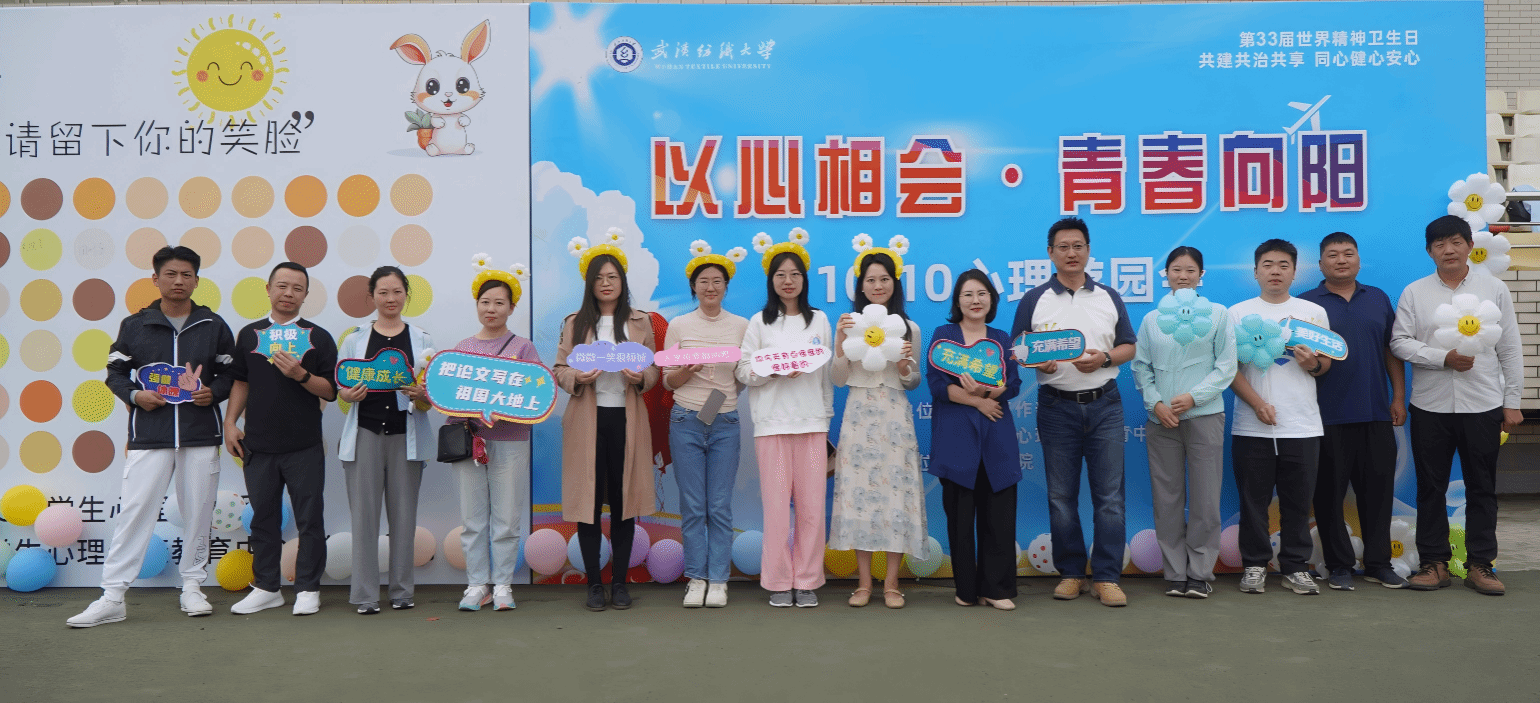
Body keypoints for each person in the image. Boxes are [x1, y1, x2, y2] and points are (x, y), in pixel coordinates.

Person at [68, 246, 235, 628]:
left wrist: (214, 392)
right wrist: (134, 396)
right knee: (135, 513)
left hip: (199, 435)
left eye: (187, 274)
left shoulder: (213, 325)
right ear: (155, 279)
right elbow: (115, 372)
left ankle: (192, 586)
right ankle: (112, 596)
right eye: (171, 274)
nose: (179, 281)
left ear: (197, 280)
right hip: (150, 435)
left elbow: (231, 372)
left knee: (199, 514)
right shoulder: (135, 325)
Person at [1391, 215, 1524, 595]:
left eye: (1455, 242)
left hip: (1483, 404)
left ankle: (1481, 565)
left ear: (1469, 246)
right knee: (1430, 487)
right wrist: (1441, 358)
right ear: (1429, 251)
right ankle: (1433, 563)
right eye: (1439, 244)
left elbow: (1510, 346)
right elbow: (1399, 342)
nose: (1448, 250)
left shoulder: (1493, 288)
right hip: (1430, 406)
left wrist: (1512, 401)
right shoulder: (1415, 292)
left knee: (1482, 487)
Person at [1010, 217, 1136, 608]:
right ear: (1050, 253)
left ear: (1088, 250)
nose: (1071, 253)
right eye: (1063, 246)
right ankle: (1071, 573)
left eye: (1078, 246)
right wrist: (1037, 362)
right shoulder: (1034, 299)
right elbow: (1018, 348)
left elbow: (1128, 346)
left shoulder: (1108, 296)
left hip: (1105, 405)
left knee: (1110, 497)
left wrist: (1104, 359)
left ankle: (1107, 577)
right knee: (1061, 496)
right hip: (1056, 407)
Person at [223, 261, 339, 616]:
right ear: (269, 289)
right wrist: (230, 422)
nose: (289, 293)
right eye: (282, 286)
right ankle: (266, 587)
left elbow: (331, 391)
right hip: (258, 445)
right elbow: (240, 381)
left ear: (305, 295)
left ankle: (308, 588)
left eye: (297, 288)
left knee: (309, 519)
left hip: (304, 445)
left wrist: (301, 374)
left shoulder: (318, 337)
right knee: (263, 518)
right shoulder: (249, 335)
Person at [1299, 233, 1410, 591]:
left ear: (1359, 260)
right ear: (1321, 264)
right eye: (1333, 255)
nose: (1341, 260)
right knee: (1328, 496)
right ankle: (1339, 565)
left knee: (1377, 494)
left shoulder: (1377, 298)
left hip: (1376, 413)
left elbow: (1391, 350)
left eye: (1348, 253)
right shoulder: (1306, 304)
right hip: (1325, 416)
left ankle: (1379, 563)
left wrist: (1398, 396)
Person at [555, 232, 659, 612]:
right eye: (599, 277)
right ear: (590, 283)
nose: (606, 283)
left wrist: (641, 377)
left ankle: (619, 582)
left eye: (612, 276)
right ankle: (594, 584)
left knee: (623, 501)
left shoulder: (640, 321)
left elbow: (653, 371)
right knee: (588, 503)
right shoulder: (575, 322)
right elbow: (559, 369)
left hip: (626, 420)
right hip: (588, 419)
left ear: (622, 281)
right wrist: (576, 377)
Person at [1130, 247, 1236, 600]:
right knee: (1167, 498)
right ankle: (1175, 573)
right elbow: (1141, 366)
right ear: (1167, 275)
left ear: (1201, 275)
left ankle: (1200, 573)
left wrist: (1194, 397)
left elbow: (1226, 366)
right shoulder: (1152, 319)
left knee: (1205, 498)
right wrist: (1155, 403)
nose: (1183, 276)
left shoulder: (1218, 314)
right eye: (1176, 270)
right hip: (1161, 420)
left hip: (1205, 416)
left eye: (1190, 270)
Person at [1228, 239, 1332, 596]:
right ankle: (1255, 565)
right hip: (1251, 426)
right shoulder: (1237, 314)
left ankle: (1295, 567)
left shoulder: (1312, 313)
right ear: (1256, 271)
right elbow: (1229, 369)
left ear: (1295, 271)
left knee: (1298, 503)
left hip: (1302, 425)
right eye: (1268, 265)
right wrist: (1257, 404)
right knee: (1253, 502)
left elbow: (1326, 363)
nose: (1276, 271)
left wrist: (1313, 364)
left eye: (1284, 265)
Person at [737, 228, 834, 609]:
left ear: (804, 279)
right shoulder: (759, 322)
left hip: (812, 424)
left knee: (812, 509)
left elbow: (826, 378)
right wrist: (773, 371)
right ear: (771, 280)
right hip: (772, 425)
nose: (788, 281)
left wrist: (826, 420)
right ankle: (778, 580)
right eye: (781, 274)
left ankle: (807, 580)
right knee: (777, 510)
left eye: (795, 274)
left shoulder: (820, 321)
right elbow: (744, 371)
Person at [829, 235, 926, 610]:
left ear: (894, 284)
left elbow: (914, 382)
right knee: (859, 497)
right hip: (858, 415)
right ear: (860, 286)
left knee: (895, 497)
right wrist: (840, 344)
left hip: (894, 417)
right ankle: (864, 583)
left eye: (884, 279)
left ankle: (892, 584)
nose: (877, 285)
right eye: (870, 279)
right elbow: (838, 379)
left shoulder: (909, 328)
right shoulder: (848, 326)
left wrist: (903, 367)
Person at [337, 266, 435, 614]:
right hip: (365, 434)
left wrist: (423, 394)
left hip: (405, 435)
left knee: (404, 518)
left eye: (397, 292)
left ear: (406, 294)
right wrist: (348, 395)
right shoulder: (355, 339)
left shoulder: (423, 340)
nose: (390, 298)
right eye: (383, 292)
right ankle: (365, 596)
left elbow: (431, 397)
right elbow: (341, 388)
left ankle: (402, 592)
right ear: (372, 296)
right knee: (364, 518)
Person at [927, 269, 1023, 610]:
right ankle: (966, 590)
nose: (975, 300)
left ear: (991, 300)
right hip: (956, 437)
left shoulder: (1001, 338)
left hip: (996, 436)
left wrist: (990, 391)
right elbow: (937, 385)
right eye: (968, 294)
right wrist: (979, 401)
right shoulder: (944, 336)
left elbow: (1013, 384)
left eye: (982, 293)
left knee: (999, 515)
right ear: (958, 301)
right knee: (960, 518)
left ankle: (996, 589)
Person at [663, 240, 750, 608]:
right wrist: (685, 371)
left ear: (726, 287)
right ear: (693, 287)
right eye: (704, 281)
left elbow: (743, 377)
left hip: (725, 421)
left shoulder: (742, 326)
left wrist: (725, 396)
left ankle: (718, 579)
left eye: (717, 281)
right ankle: (696, 578)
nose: (710, 287)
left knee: (719, 505)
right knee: (694, 505)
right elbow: (668, 380)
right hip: (685, 420)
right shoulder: (679, 325)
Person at [451, 258, 541, 612]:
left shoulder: (524, 347)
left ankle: (503, 585)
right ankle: (477, 585)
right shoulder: (462, 348)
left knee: (506, 519)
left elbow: (537, 395)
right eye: (485, 301)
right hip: (470, 441)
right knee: (472, 520)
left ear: (512, 307)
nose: (491, 309)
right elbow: (450, 398)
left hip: (511, 441)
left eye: (499, 302)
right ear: (477, 304)